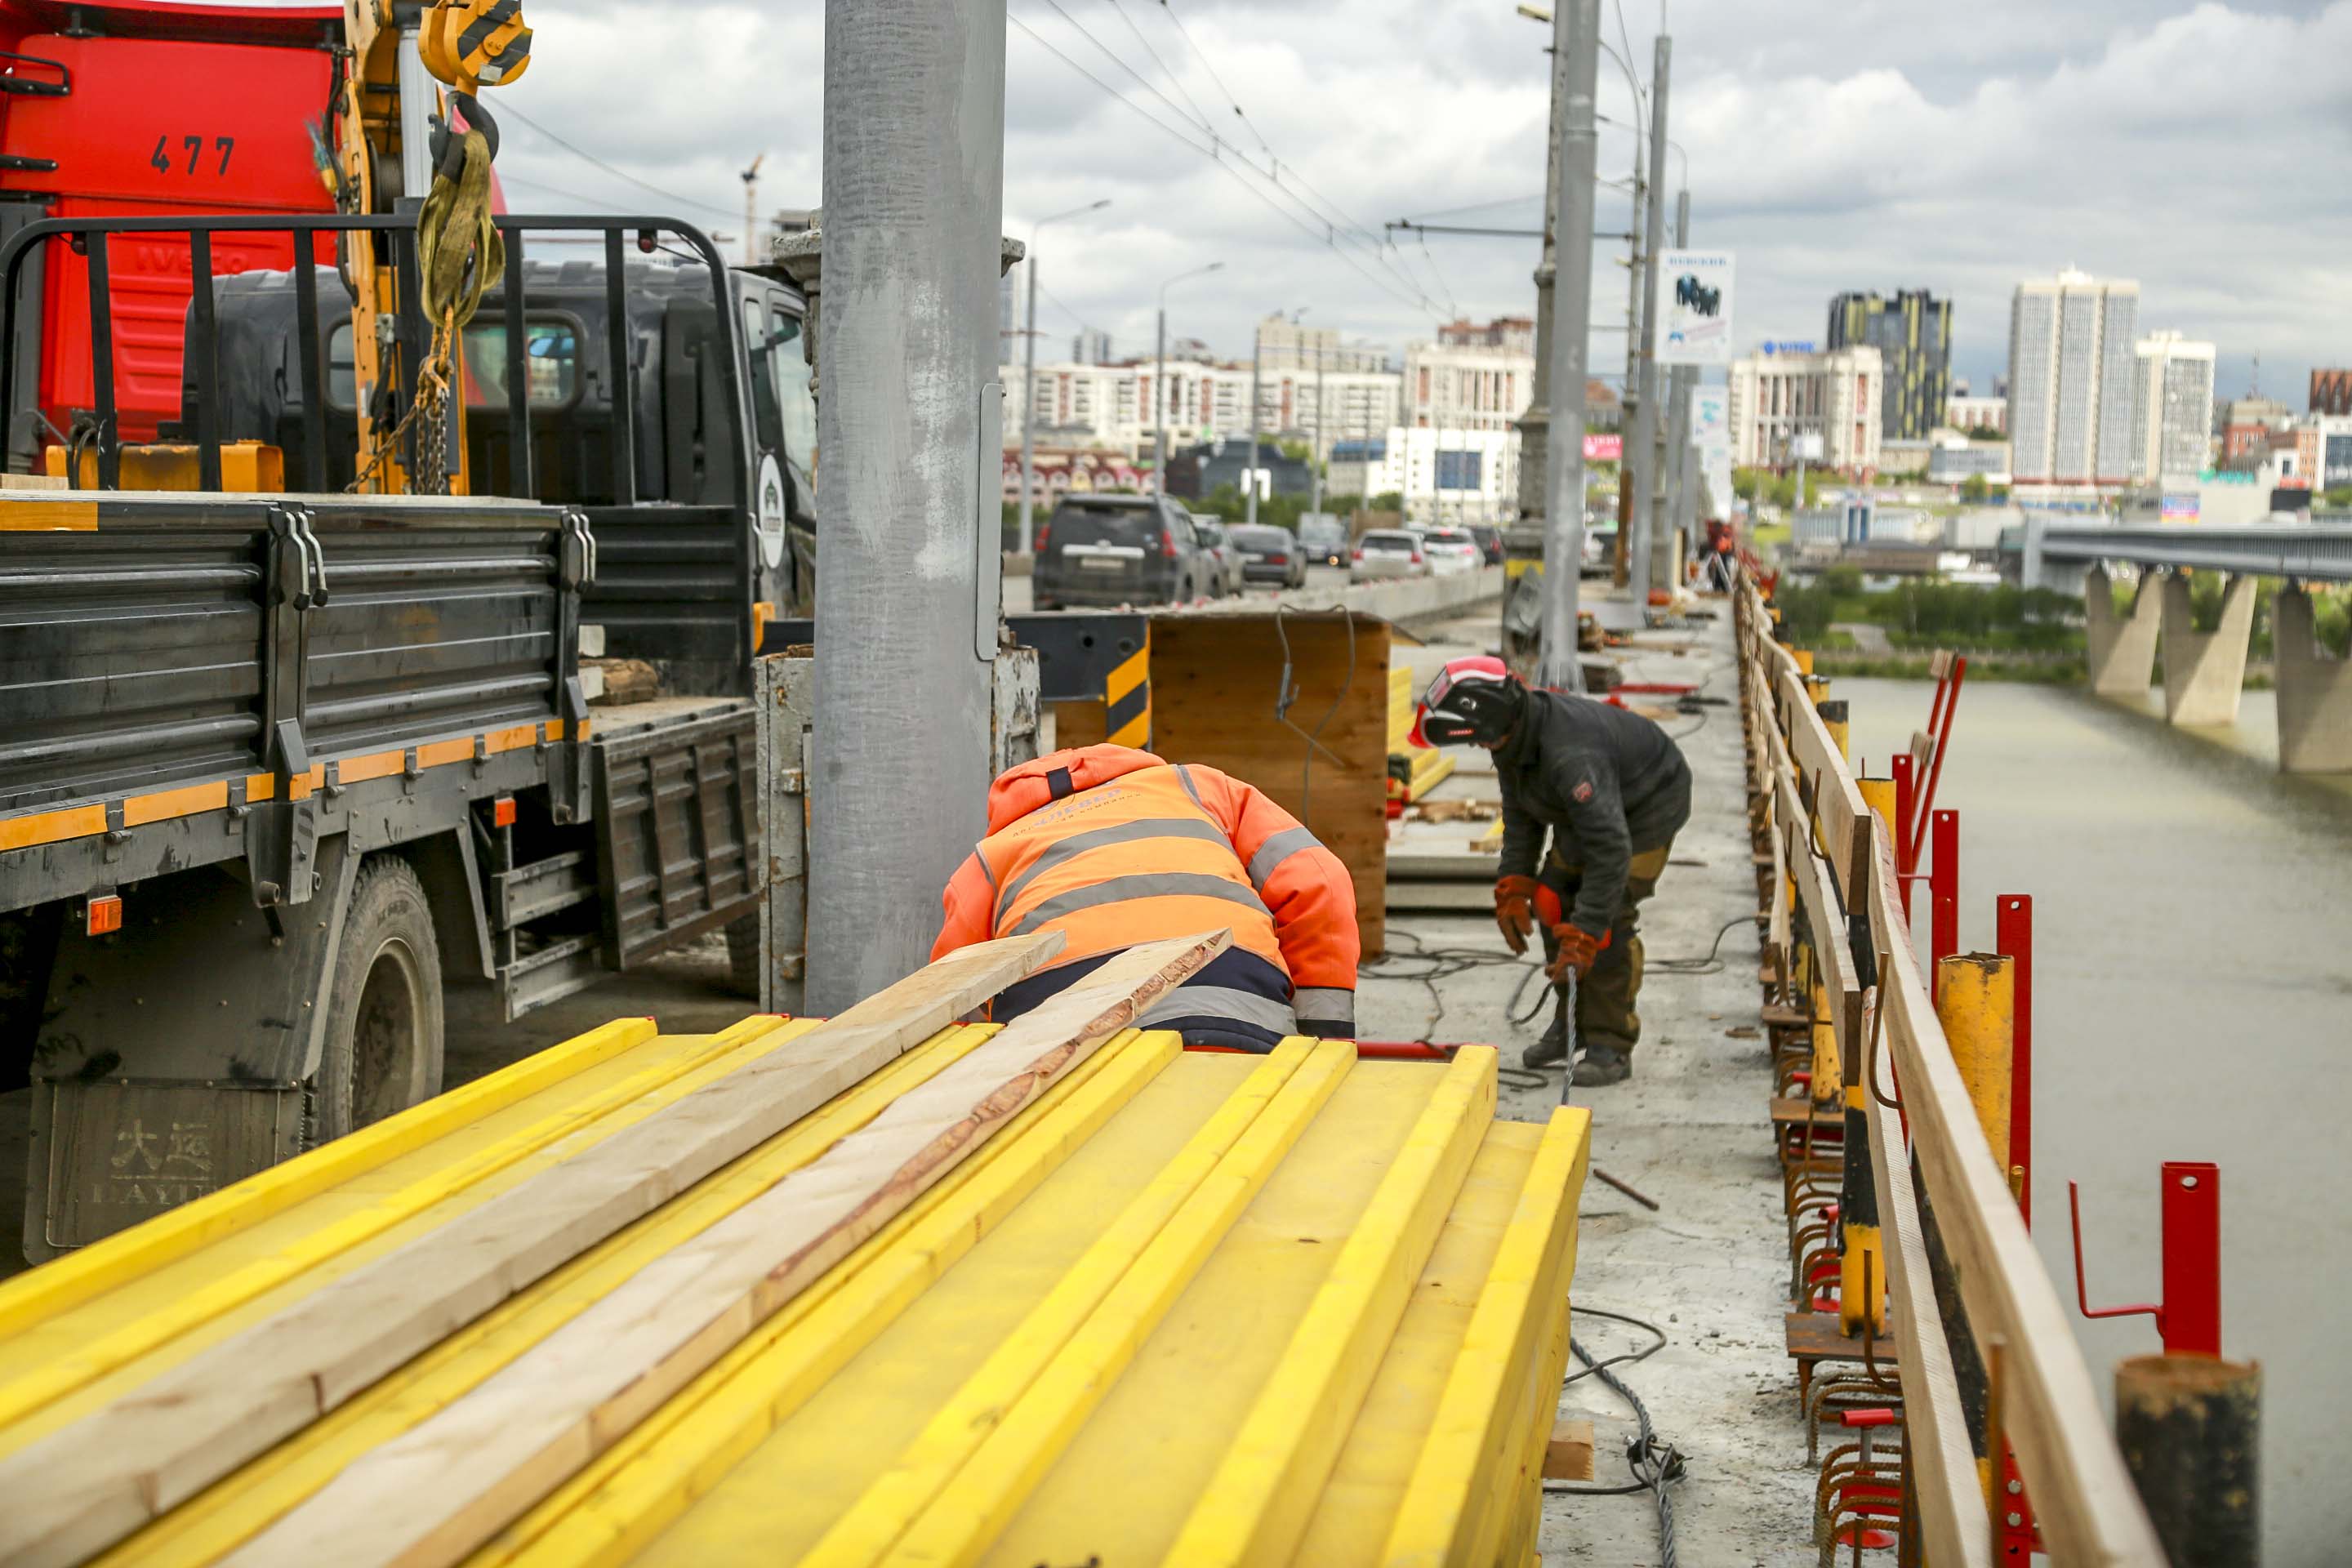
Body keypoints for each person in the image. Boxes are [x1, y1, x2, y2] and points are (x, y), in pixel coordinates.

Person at [932, 743, 1359, 1050]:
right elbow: (1321, 882)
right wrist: (1324, 1035)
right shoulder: (1197, 787)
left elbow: (952, 996)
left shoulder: (990, 857)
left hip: (1064, 1037)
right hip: (1231, 997)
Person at [1412, 657, 1690, 1085]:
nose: (1478, 749)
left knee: (1607, 920)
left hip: (1648, 804)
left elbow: (1611, 849)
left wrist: (1586, 930)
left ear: (1489, 720)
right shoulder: (1512, 736)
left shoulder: (1570, 756)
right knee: (1551, 900)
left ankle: (1611, 1046)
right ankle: (1571, 1023)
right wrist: (1514, 884)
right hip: (1598, 807)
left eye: (1476, 741)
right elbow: (1522, 816)